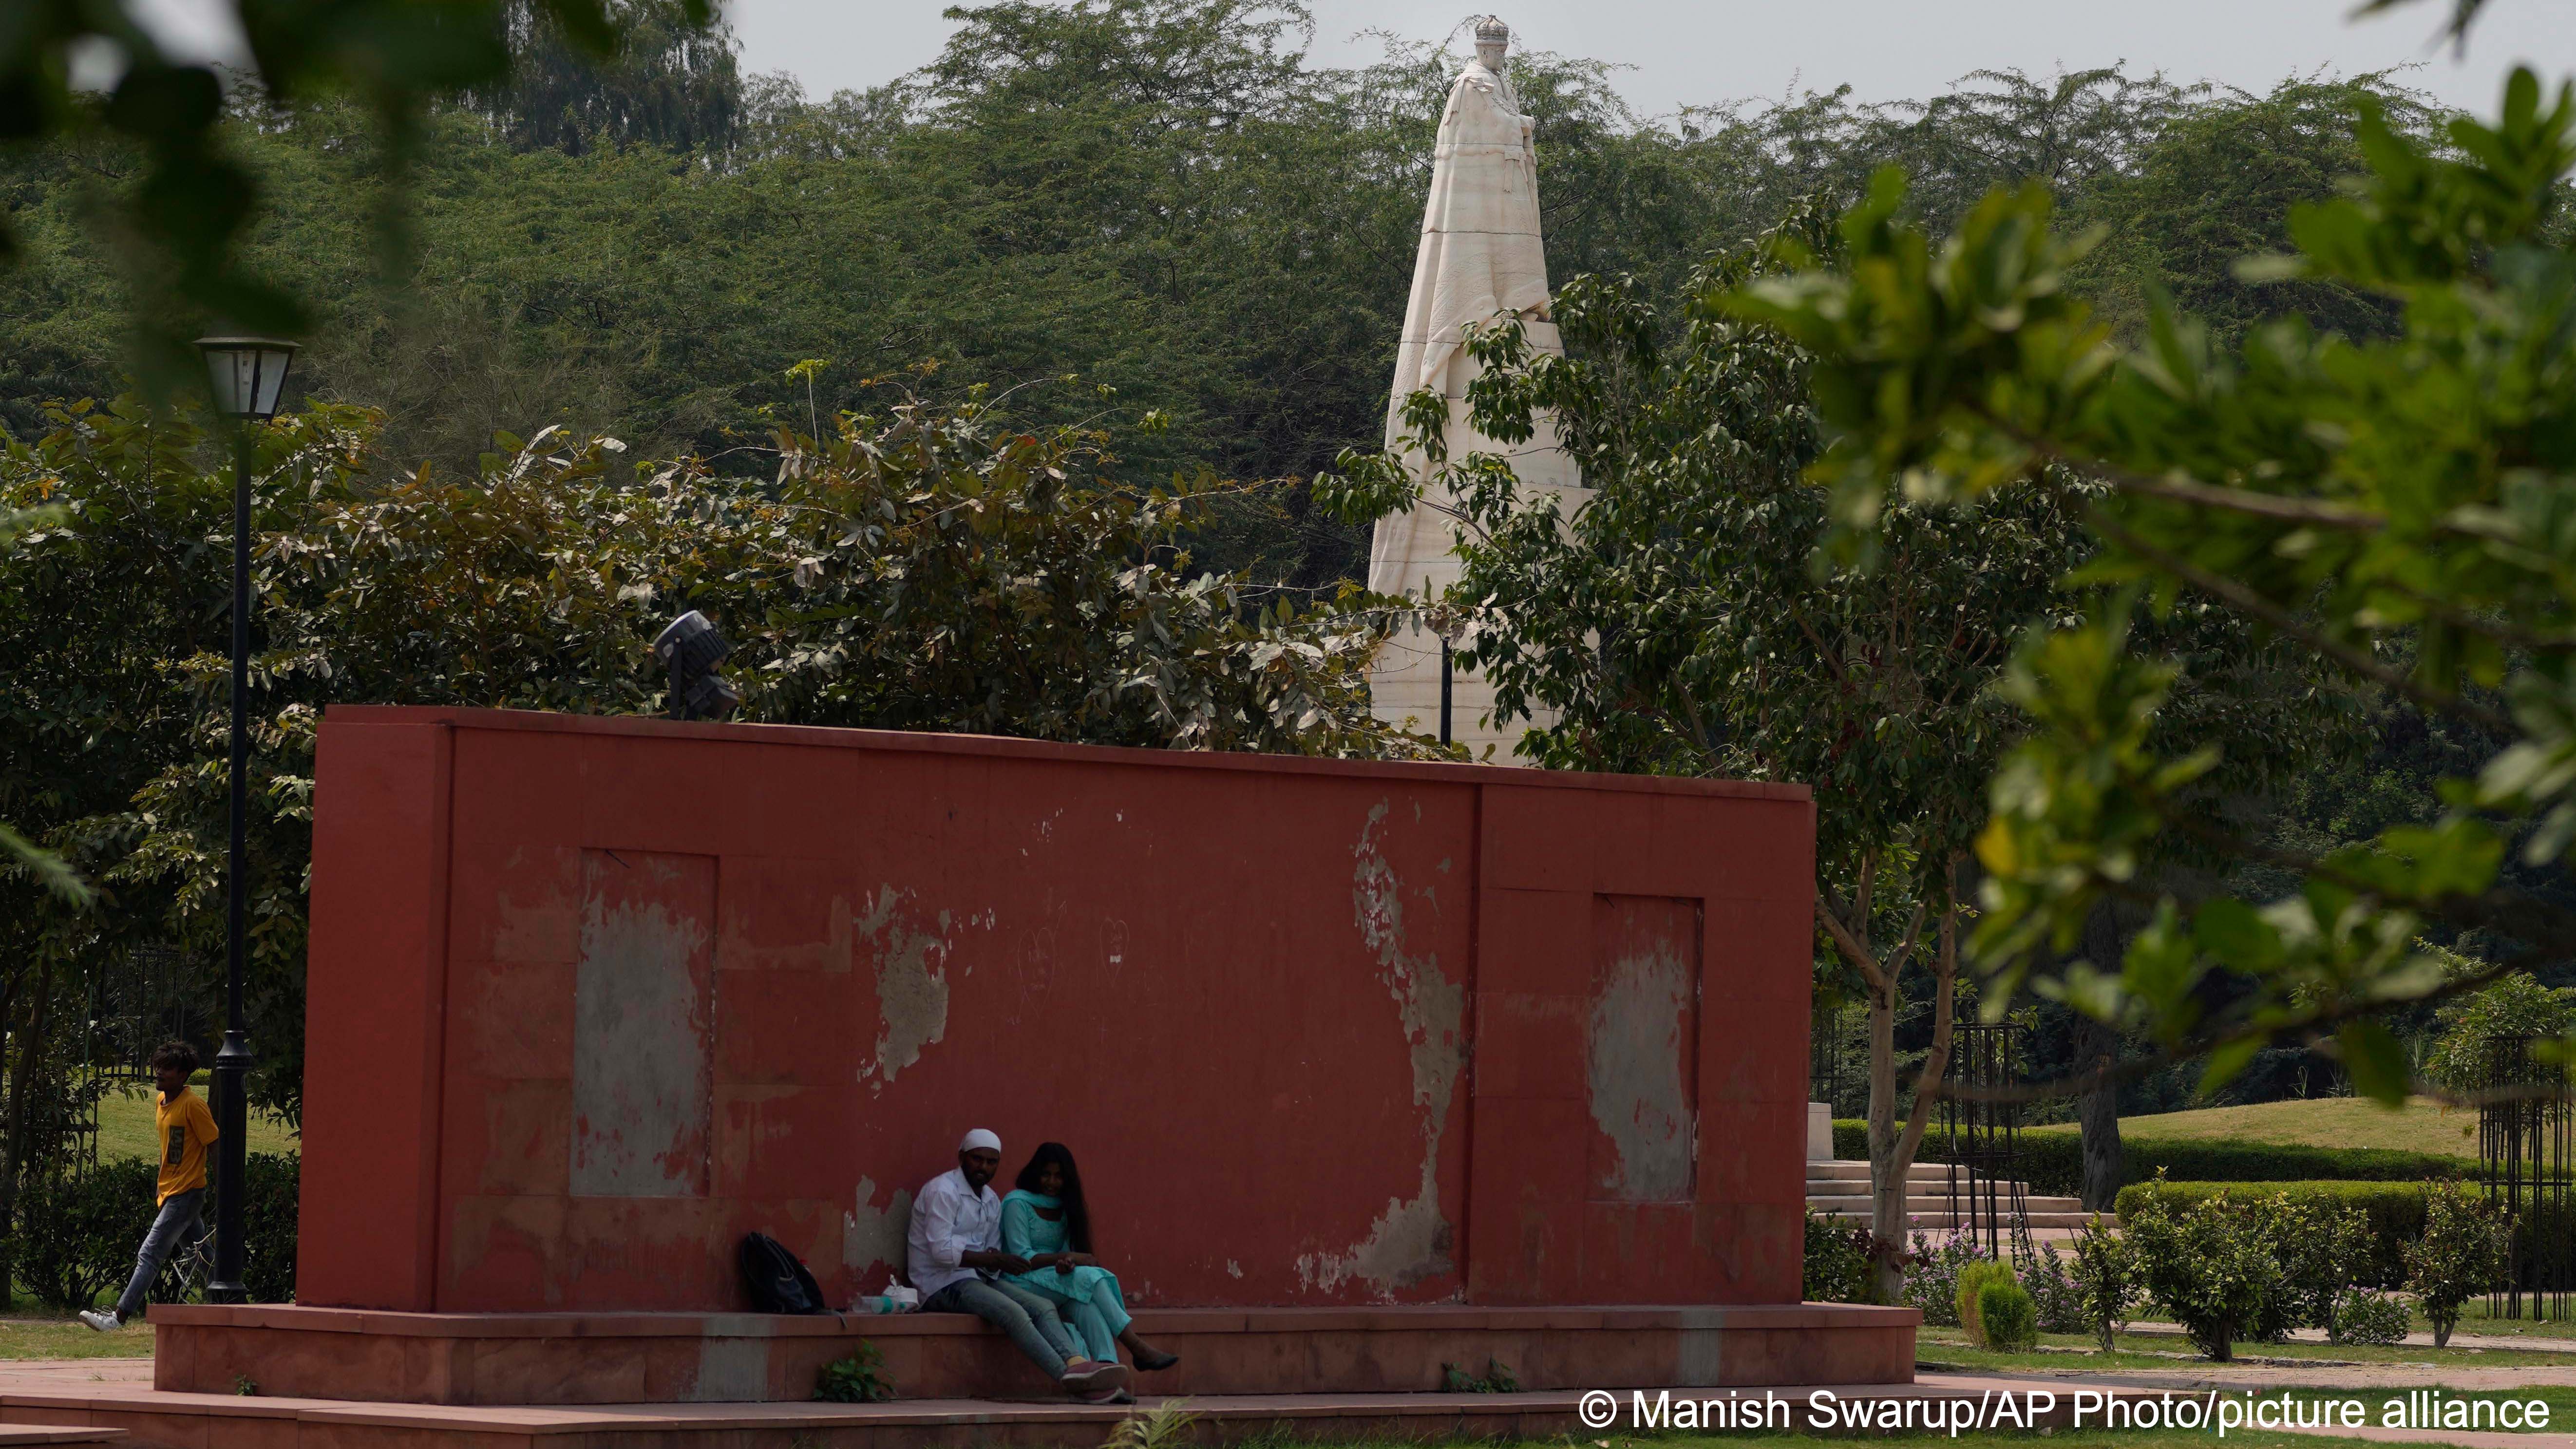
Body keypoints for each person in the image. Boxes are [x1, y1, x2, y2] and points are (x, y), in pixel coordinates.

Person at [907, 1128, 1129, 1399]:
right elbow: (942, 1253)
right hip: (940, 1284)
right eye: (977, 1159)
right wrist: (993, 1259)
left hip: (977, 1277)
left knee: (1043, 1306)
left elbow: (991, 1255)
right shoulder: (942, 1191)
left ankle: (1078, 1365)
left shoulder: (990, 1200)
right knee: (1014, 1313)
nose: (984, 1167)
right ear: (962, 1156)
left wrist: (995, 1261)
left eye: (992, 1162)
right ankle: (1074, 1383)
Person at [1000, 1142, 1178, 1379]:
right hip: (1020, 1280)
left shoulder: (1065, 1207)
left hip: (1052, 1280)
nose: (1052, 1182)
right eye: (1046, 1174)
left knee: (1087, 1307)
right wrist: (1067, 1257)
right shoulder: (1017, 1203)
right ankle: (1136, 1346)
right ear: (1035, 1173)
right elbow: (1021, 1258)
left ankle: (1108, 1373)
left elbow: (1064, 1253)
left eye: (1058, 1176)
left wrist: (1067, 1264)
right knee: (1092, 1277)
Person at [80, 1041, 218, 1332]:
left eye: (166, 1069)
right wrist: (160, 1180)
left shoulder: (194, 1105)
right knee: (201, 1255)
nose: (158, 1073)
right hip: (171, 1192)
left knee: (150, 1254)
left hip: (187, 1194)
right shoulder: (162, 1102)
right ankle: (229, 1306)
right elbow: (171, 1147)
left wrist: (213, 1186)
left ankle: (117, 1319)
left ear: (183, 1075)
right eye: (158, 1066)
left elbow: (214, 1145)